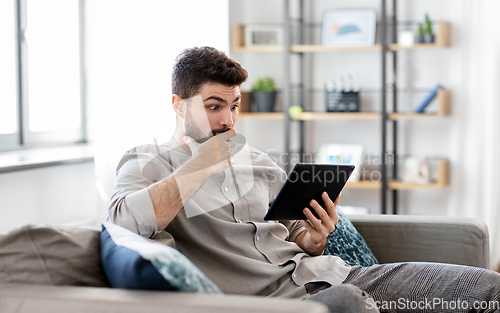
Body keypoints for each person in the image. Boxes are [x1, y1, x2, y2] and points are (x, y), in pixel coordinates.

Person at [108, 46, 500, 313]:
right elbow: (123, 221)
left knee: (488, 291)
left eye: (234, 106)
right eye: (213, 107)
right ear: (178, 104)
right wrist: (200, 165)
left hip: (336, 274)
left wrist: (314, 238)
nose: (227, 120)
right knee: (349, 304)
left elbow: (297, 233)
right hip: (281, 302)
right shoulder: (146, 161)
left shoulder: (257, 160)